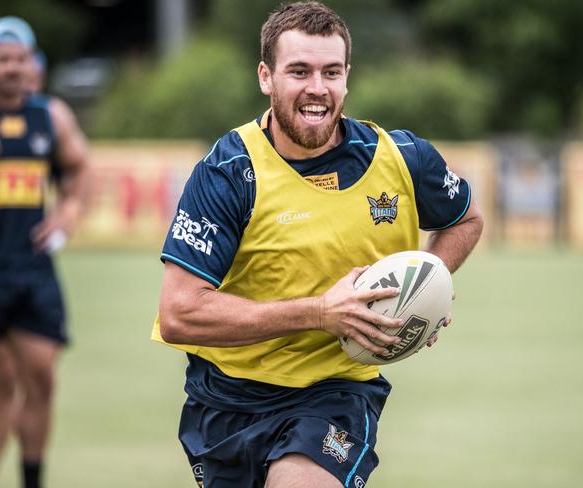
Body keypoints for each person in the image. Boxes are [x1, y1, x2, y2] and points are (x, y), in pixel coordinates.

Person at [152, 2, 483, 487]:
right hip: (226, 402)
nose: (317, 89)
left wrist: (426, 287)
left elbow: (465, 219)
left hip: (337, 393)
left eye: (331, 71)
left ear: (347, 76)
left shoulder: (402, 157)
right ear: (266, 77)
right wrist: (320, 313)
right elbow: (181, 313)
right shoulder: (229, 173)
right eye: (299, 71)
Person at [0, 16, 89, 488]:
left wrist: (68, 213)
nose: (13, 68)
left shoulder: (51, 116)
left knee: (41, 378)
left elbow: (80, 169)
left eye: (21, 58)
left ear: (32, 62)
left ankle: (31, 478)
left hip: (33, 269)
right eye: (3, 59)